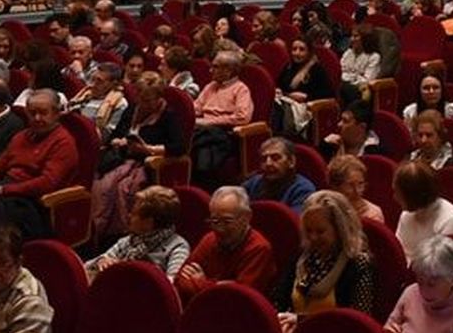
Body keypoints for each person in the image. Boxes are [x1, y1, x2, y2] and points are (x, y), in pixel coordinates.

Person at [90, 72, 185, 242]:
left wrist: (149, 149)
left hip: (147, 162)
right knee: (102, 185)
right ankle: (101, 233)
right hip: (122, 157)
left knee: (125, 189)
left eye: (148, 100)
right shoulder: (133, 108)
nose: (144, 104)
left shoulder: (168, 115)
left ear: (158, 97)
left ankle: (125, 234)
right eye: (141, 98)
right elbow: (116, 135)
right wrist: (119, 141)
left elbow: (179, 147)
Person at [0, 90, 78, 239]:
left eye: (43, 113)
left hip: (33, 203)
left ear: (56, 114)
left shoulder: (63, 142)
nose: (37, 118)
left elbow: (47, 183)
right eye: (32, 113)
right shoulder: (21, 136)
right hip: (7, 191)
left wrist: (0, 191)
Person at [271, 189, 375, 327]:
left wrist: (301, 320)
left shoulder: (358, 263)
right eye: (308, 231)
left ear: (340, 229)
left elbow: (357, 321)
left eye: (320, 231)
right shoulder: (302, 256)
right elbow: (278, 300)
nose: (313, 238)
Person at [173, 186, 278, 305]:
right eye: (215, 221)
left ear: (247, 218)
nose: (219, 229)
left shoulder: (259, 248)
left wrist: (201, 283)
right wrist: (219, 285)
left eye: (227, 221)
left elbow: (238, 299)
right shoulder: (210, 238)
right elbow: (180, 280)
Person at [85, 185, 190, 280]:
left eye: (134, 214)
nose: (129, 216)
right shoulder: (132, 239)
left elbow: (170, 286)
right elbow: (86, 266)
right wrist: (102, 260)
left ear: (148, 222)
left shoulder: (178, 247)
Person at [191, 51, 255, 179]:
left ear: (228, 70)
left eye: (215, 67)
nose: (210, 70)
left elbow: (242, 117)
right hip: (203, 130)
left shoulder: (240, 89)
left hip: (224, 133)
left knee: (199, 136)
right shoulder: (210, 86)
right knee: (199, 141)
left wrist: (210, 121)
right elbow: (196, 108)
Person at [393, 161, 453, 261]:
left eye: (398, 193)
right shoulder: (406, 214)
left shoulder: (450, 220)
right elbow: (399, 251)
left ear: (414, 196)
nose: (395, 197)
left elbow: (440, 266)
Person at [243, 136, 316, 212]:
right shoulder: (254, 183)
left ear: (291, 161)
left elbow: (293, 221)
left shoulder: (303, 189)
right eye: (264, 159)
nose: (268, 163)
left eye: (275, 158)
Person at [329, 154, 384, 224]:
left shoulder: (373, 214)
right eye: (350, 185)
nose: (357, 191)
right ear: (335, 187)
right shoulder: (324, 212)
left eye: (360, 184)